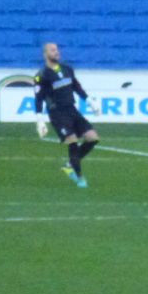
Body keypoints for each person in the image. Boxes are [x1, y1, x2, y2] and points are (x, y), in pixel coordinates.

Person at [33, 42, 99, 188]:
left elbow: (76, 86)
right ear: (45, 54)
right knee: (72, 141)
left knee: (93, 138)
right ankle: (79, 178)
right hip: (57, 113)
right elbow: (38, 98)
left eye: (57, 49)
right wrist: (40, 120)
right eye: (52, 50)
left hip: (72, 109)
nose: (56, 52)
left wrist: (89, 101)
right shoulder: (41, 76)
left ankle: (70, 164)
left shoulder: (67, 69)